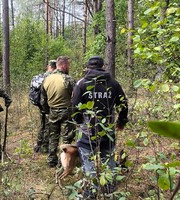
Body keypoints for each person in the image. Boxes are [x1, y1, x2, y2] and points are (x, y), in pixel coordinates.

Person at [71, 56, 128, 197]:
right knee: (109, 164)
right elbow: (123, 104)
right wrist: (121, 122)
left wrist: (78, 122)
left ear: (88, 67)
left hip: (86, 133)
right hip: (107, 133)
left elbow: (74, 107)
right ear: (103, 66)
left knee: (88, 165)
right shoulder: (113, 83)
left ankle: (90, 194)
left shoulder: (81, 84)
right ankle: (110, 193)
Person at [40, 56, 76, 168]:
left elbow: (43, 99)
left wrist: (47, 111)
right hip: (67, 112)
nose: (68, 67)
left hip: (52, 111)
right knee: (66, 137)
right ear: (64, 65)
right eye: (68, 65)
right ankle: (63, 162)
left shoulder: (47, 79)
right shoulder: (68, 79)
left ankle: (51, 159)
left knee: (53, 136)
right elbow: (76, 97)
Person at [33, 60, 56, 154]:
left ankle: (38, 145)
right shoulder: (51, 77)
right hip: (48, 105)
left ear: (48, 66)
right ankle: (45, 147)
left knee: (42, 125)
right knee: (48, 126)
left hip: (41, 105)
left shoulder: (41, 76)